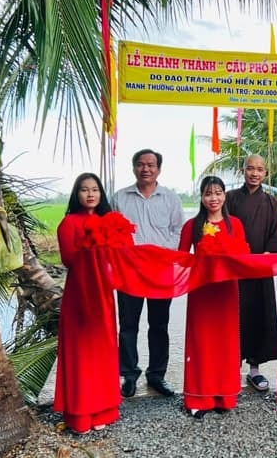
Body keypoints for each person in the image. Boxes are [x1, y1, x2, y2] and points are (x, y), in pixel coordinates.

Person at [55, 173, 126, 434]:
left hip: (103, 294)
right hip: (79, 294)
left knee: (103, 351)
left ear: (101, 193)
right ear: (77, 194)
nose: (90, 194)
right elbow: (69, 259)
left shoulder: (109, 221)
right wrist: (94, 250)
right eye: (84, 190)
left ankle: (103, 410)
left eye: (95, 189)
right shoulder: (68, 223)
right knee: (81, 353)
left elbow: (120, 257)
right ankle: (81, 414)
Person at [112, 149, 184, 398]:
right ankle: (129, 375)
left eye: (151, 165)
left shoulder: (170, 198)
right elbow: (111, 232)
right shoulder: (120, 198)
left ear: (158, 169)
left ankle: (157, 375)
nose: (146, 169)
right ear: (134, 168)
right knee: (128, 325)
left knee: (159, 324)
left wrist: (160, 253)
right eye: (141, 164)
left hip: (161, 270)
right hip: (129, 271)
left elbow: (178, 231)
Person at [178, 176, 248, 416]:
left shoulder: (235, 224)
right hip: (201, 292)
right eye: (208, 194)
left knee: (225, 343)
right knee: (201, 343)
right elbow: (182, 258)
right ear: (201, 197)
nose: (213, 198)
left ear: (225, 196)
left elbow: (243, 257)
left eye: (218, 193)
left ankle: (224, 396)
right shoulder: (192, 226)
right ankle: (198, 397)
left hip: (227, 291)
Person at [226, 154, 277, 391]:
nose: (254, 173)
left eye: (259, 169)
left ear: (265, 173)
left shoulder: (271, 202)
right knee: (233, 315)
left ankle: (254, 370)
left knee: (259, 314)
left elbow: (276, 232)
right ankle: (230, 367)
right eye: (250, 168)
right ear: (243, 170)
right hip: (235, 268)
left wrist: (268, 253)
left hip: (260, 267)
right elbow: (222, 227)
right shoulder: (230, 198)